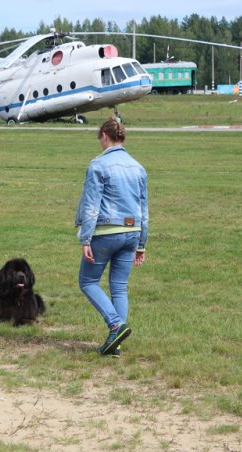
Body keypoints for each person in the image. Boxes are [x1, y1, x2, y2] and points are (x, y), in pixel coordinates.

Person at [75, 117, 148, 356]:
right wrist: (142, 244)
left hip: (106, 233)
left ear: (105, 136)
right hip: (132, 233)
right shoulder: (138, 167)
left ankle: (115, 325)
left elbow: (91, 204)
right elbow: (143, 209)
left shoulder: (98, 165)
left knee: (88, 282)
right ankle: (115, 345)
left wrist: (85, 238)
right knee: (119, 287)